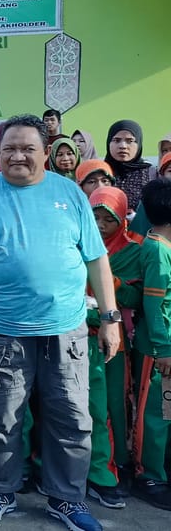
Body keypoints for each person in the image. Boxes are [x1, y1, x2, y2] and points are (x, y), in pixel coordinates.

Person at [0, 114, 118, 530]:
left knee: (72, 417)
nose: (18, 156)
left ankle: (66, 499)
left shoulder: (70, 194)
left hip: (66, 329)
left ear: (44, 152)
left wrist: (110, 318)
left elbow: (96, 258)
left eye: (27, 148)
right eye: (9, 149)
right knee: (1, 418)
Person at [84, 186, 143, 510]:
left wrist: (110, 282)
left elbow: (136, 299)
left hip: (114, 342)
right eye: (96, 216)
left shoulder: (133, 249)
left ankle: (117, 464)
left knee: (114, 407)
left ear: (122, 219)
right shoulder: (75, 245)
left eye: (110, 218)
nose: (102, 224)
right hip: (77, 336)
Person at [132, 178, 171, 511]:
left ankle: (162, 468)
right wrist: (163, 349)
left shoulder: (165, 246)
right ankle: (148, 476)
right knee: (155, 414)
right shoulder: (157, 250)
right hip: (158, 353)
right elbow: (154, 306)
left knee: (167, 412)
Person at [105, 119, 155, 212]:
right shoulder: (101, 171)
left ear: (139, 144)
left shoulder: (152, 173)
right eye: (116, 140)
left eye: (130, 141)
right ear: (108, 143)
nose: (123, 146)